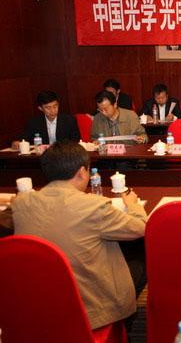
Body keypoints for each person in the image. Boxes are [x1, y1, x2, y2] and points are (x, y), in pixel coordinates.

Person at [10, 141, 147, 330]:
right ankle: (123, 325)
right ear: (82, 172)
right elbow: (141, 227)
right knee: (141, 258)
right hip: (89, 310)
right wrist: (133, 205)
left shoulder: (21, 204)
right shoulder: (93, 206)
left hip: (38, 304)